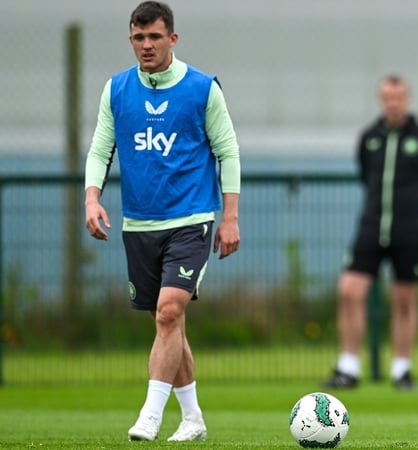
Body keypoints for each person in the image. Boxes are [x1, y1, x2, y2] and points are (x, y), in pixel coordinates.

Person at [84, 1, 241, 442]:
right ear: (131, 40)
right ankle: (193, 419)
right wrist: (91, 199)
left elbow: (227, 152)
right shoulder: (116, 90)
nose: (147, 45)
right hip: (139, 224)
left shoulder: (201, 88)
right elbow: (100, 149)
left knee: (169, 312)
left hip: (191, 219)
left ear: (173, 38)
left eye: (155, 37)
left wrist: (229, 217)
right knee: (168, 323)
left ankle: (150, 415)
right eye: (139, 37)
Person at [323, 75, 418, 390]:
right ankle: (349, 367)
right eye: (387, 97)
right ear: (381, 100)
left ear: (407, 99)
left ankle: (401, 369)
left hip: (411, 232)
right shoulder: (369, 138)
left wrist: (412, 213)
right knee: (350, 291)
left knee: (403, 300)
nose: (393, 103)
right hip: (371, 227)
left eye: (398, 97)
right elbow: (366, 175)